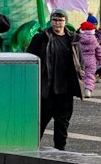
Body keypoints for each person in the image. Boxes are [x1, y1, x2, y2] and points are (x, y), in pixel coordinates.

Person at [27, 10, 86, 150]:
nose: (57, 23)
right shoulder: (41, 38)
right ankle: (30, 151)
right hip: (46, 91)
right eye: (54, 20)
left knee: (62, 125)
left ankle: (60, 153)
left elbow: (81, 63)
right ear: (50, 21)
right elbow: (30, 59)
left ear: (66, 21)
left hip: (65, 91)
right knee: (38, 125)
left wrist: (83, 82)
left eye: (60, 20)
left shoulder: (73, 40)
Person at [76, 17, 101, 96]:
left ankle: (80, 89)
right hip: (91, 60)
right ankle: (88, 89)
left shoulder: (78, 38)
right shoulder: (94, 39)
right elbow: (99, 50)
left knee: (80, 75)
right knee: (90, 75)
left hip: (80, 60)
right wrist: (100, 60)